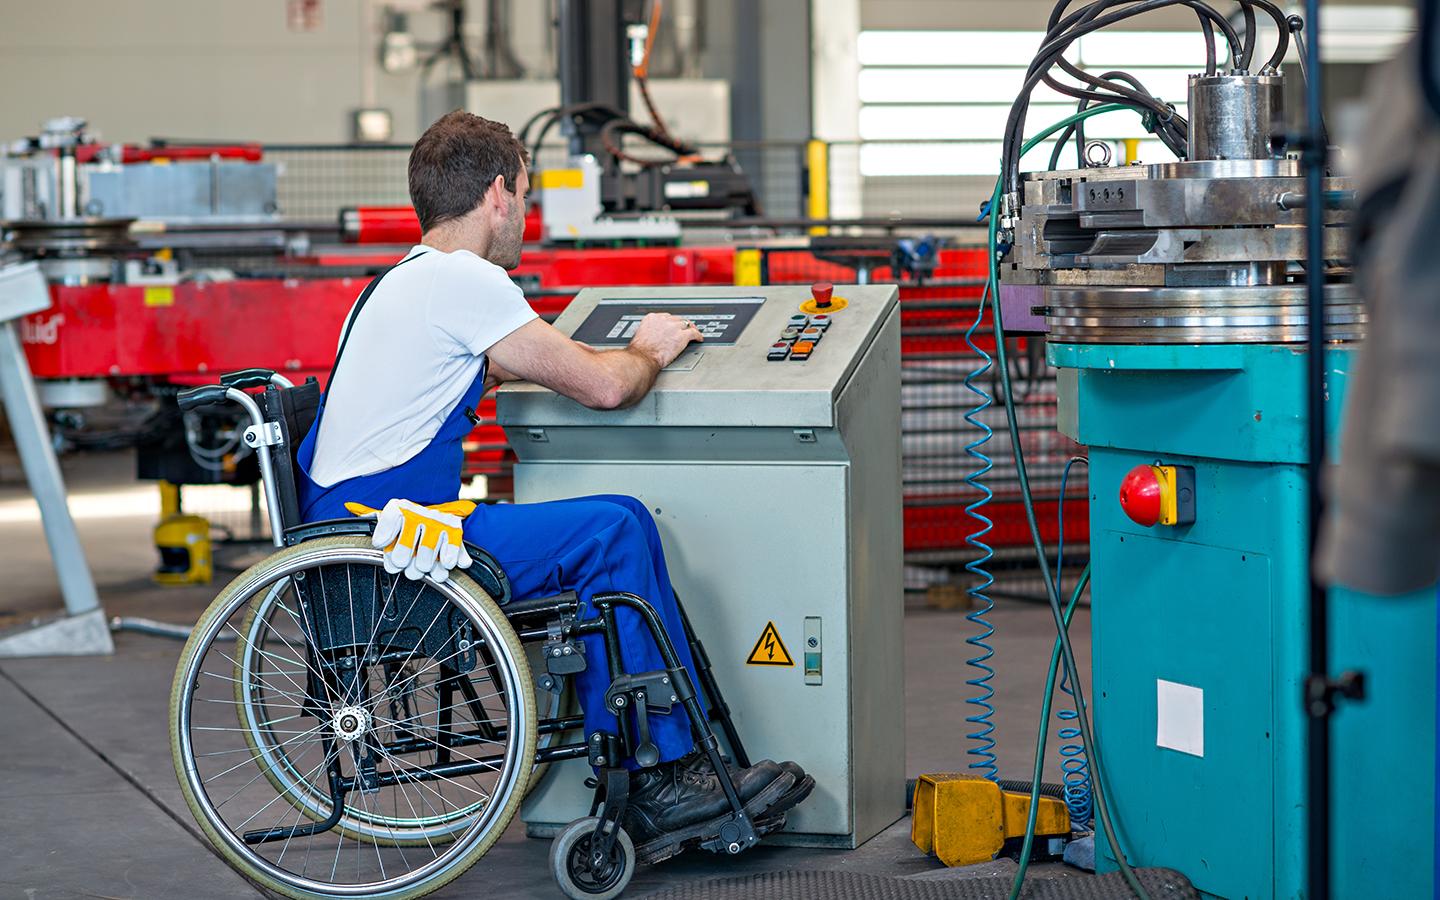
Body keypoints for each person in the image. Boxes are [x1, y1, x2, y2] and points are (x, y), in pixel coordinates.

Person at [293, 110, 811, 855]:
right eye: (527, 200)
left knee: (606, 525)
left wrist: (548, 356)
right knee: (616, 527)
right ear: (499, 193)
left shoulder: (395, 284)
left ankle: (663, 754)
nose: (525, 218)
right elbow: (606, 390)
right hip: (394, 549)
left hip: (356, 536)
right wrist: (648, 348)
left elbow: (479, 363)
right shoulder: (467, 279)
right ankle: (656, 771)